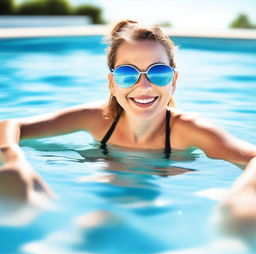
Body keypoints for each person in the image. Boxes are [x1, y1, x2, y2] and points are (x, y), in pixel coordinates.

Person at [0, 20, 256, 220]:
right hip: (103, 186)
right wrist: (15, 160)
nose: (143, 85)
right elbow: (11, 126)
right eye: (126, 73)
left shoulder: (188, 130)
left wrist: (245, 193)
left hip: (169, 197)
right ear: (112, 83)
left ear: (174, 80)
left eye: (158, 72)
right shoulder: (97, 119)